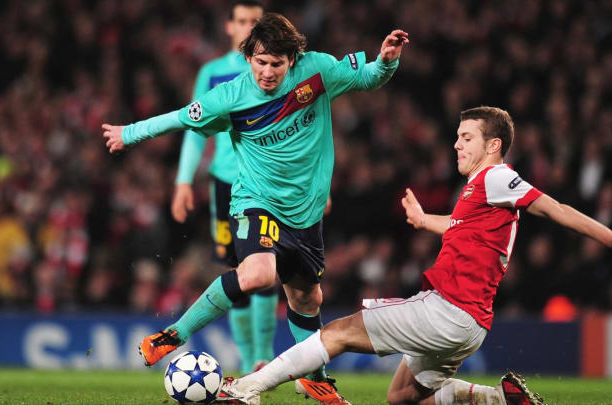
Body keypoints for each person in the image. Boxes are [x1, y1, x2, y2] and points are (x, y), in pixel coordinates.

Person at [219, 106, 612, 405]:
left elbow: (553, 208)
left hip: (447, 310)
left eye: (467, 138)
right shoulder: (482, 191)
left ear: (494, 145)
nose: (457, 145)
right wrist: (426, 219)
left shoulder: (499, 177)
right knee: (404, 397)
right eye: (457, 137)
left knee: (338, 331)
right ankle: (501, 398)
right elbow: (463, 227)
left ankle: (247, 388)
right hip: (472, 325)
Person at [103, 13, 408, 405]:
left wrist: (386, 60)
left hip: (306, 214)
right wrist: (129, 133)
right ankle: (172, 335)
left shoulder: (317, 71)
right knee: (259, 274)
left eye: (276, 64)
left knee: (307, 300)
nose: (267, 72)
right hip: (255, 202)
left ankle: (315, 378)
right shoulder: (230, 97)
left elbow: (367, 78)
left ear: (292, 60)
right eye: (260, 62)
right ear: (249, 58)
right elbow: (181, 118)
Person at [171, 0, 277, 376]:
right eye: (243, 21)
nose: (249, 28)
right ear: (229, 27)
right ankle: (250, 360)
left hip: (268, 186)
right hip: (225, 187)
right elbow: (195, 131)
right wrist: (184, 180)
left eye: (256, 22)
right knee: (235, 270)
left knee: (267, 268)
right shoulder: (213, 74)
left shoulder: (279, 73)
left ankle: (262, 355)